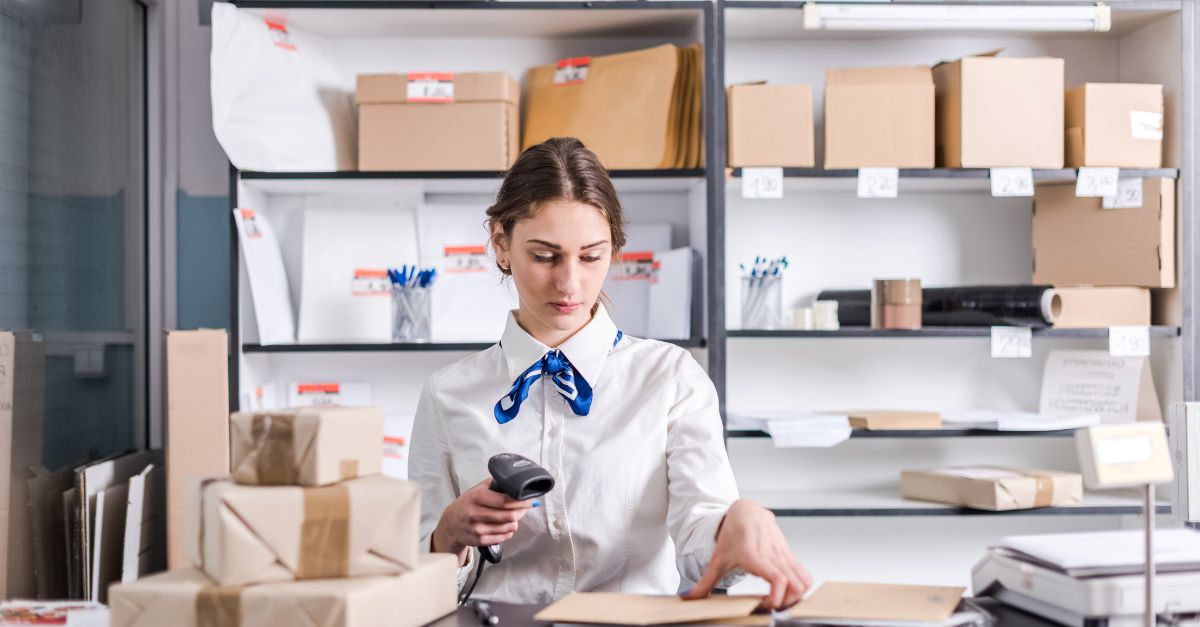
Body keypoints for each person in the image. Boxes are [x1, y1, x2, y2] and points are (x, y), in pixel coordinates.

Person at [408, 137, 811, 610]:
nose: (569, 283)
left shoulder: (670, 378)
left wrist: (737, 523)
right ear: (501, 243)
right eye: (544, 255)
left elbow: (700, 539)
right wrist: (447, 537)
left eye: (591, 256)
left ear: (615, 249)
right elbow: (413, 584)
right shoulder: (447, 394)